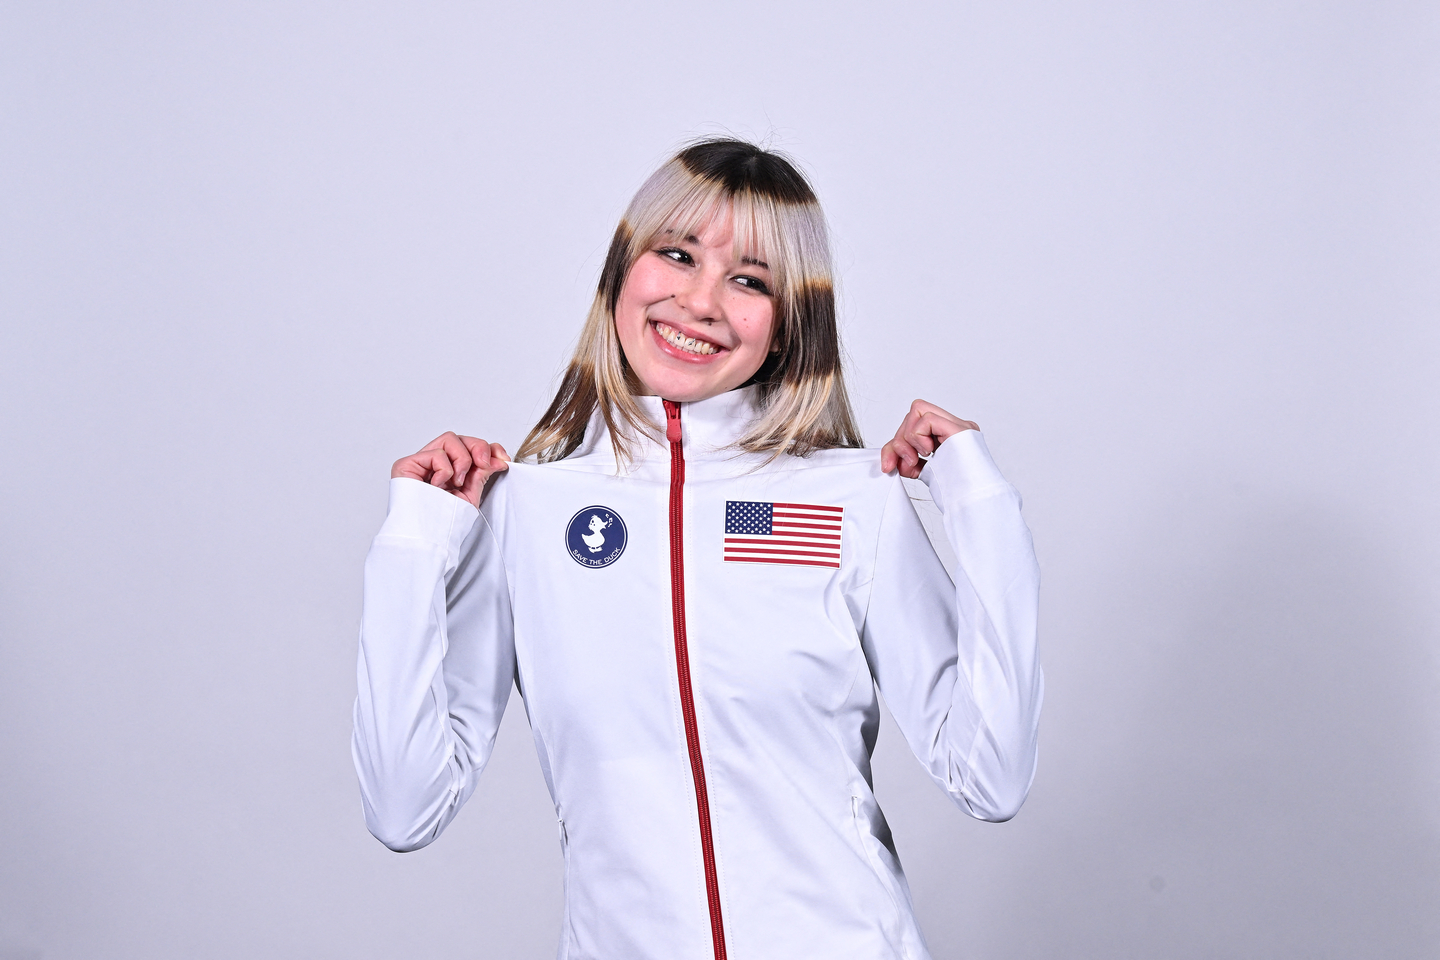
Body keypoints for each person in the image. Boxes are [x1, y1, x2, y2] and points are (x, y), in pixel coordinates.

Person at [352, 138, 1043, 960]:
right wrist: (412, 546)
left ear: (789, 325)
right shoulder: (526, 515)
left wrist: (982, 506)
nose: (701, 299)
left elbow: (991, 778)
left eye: (750, 280)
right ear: (620, 273)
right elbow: (404, 807)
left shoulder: (854, 502)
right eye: (675, 254)